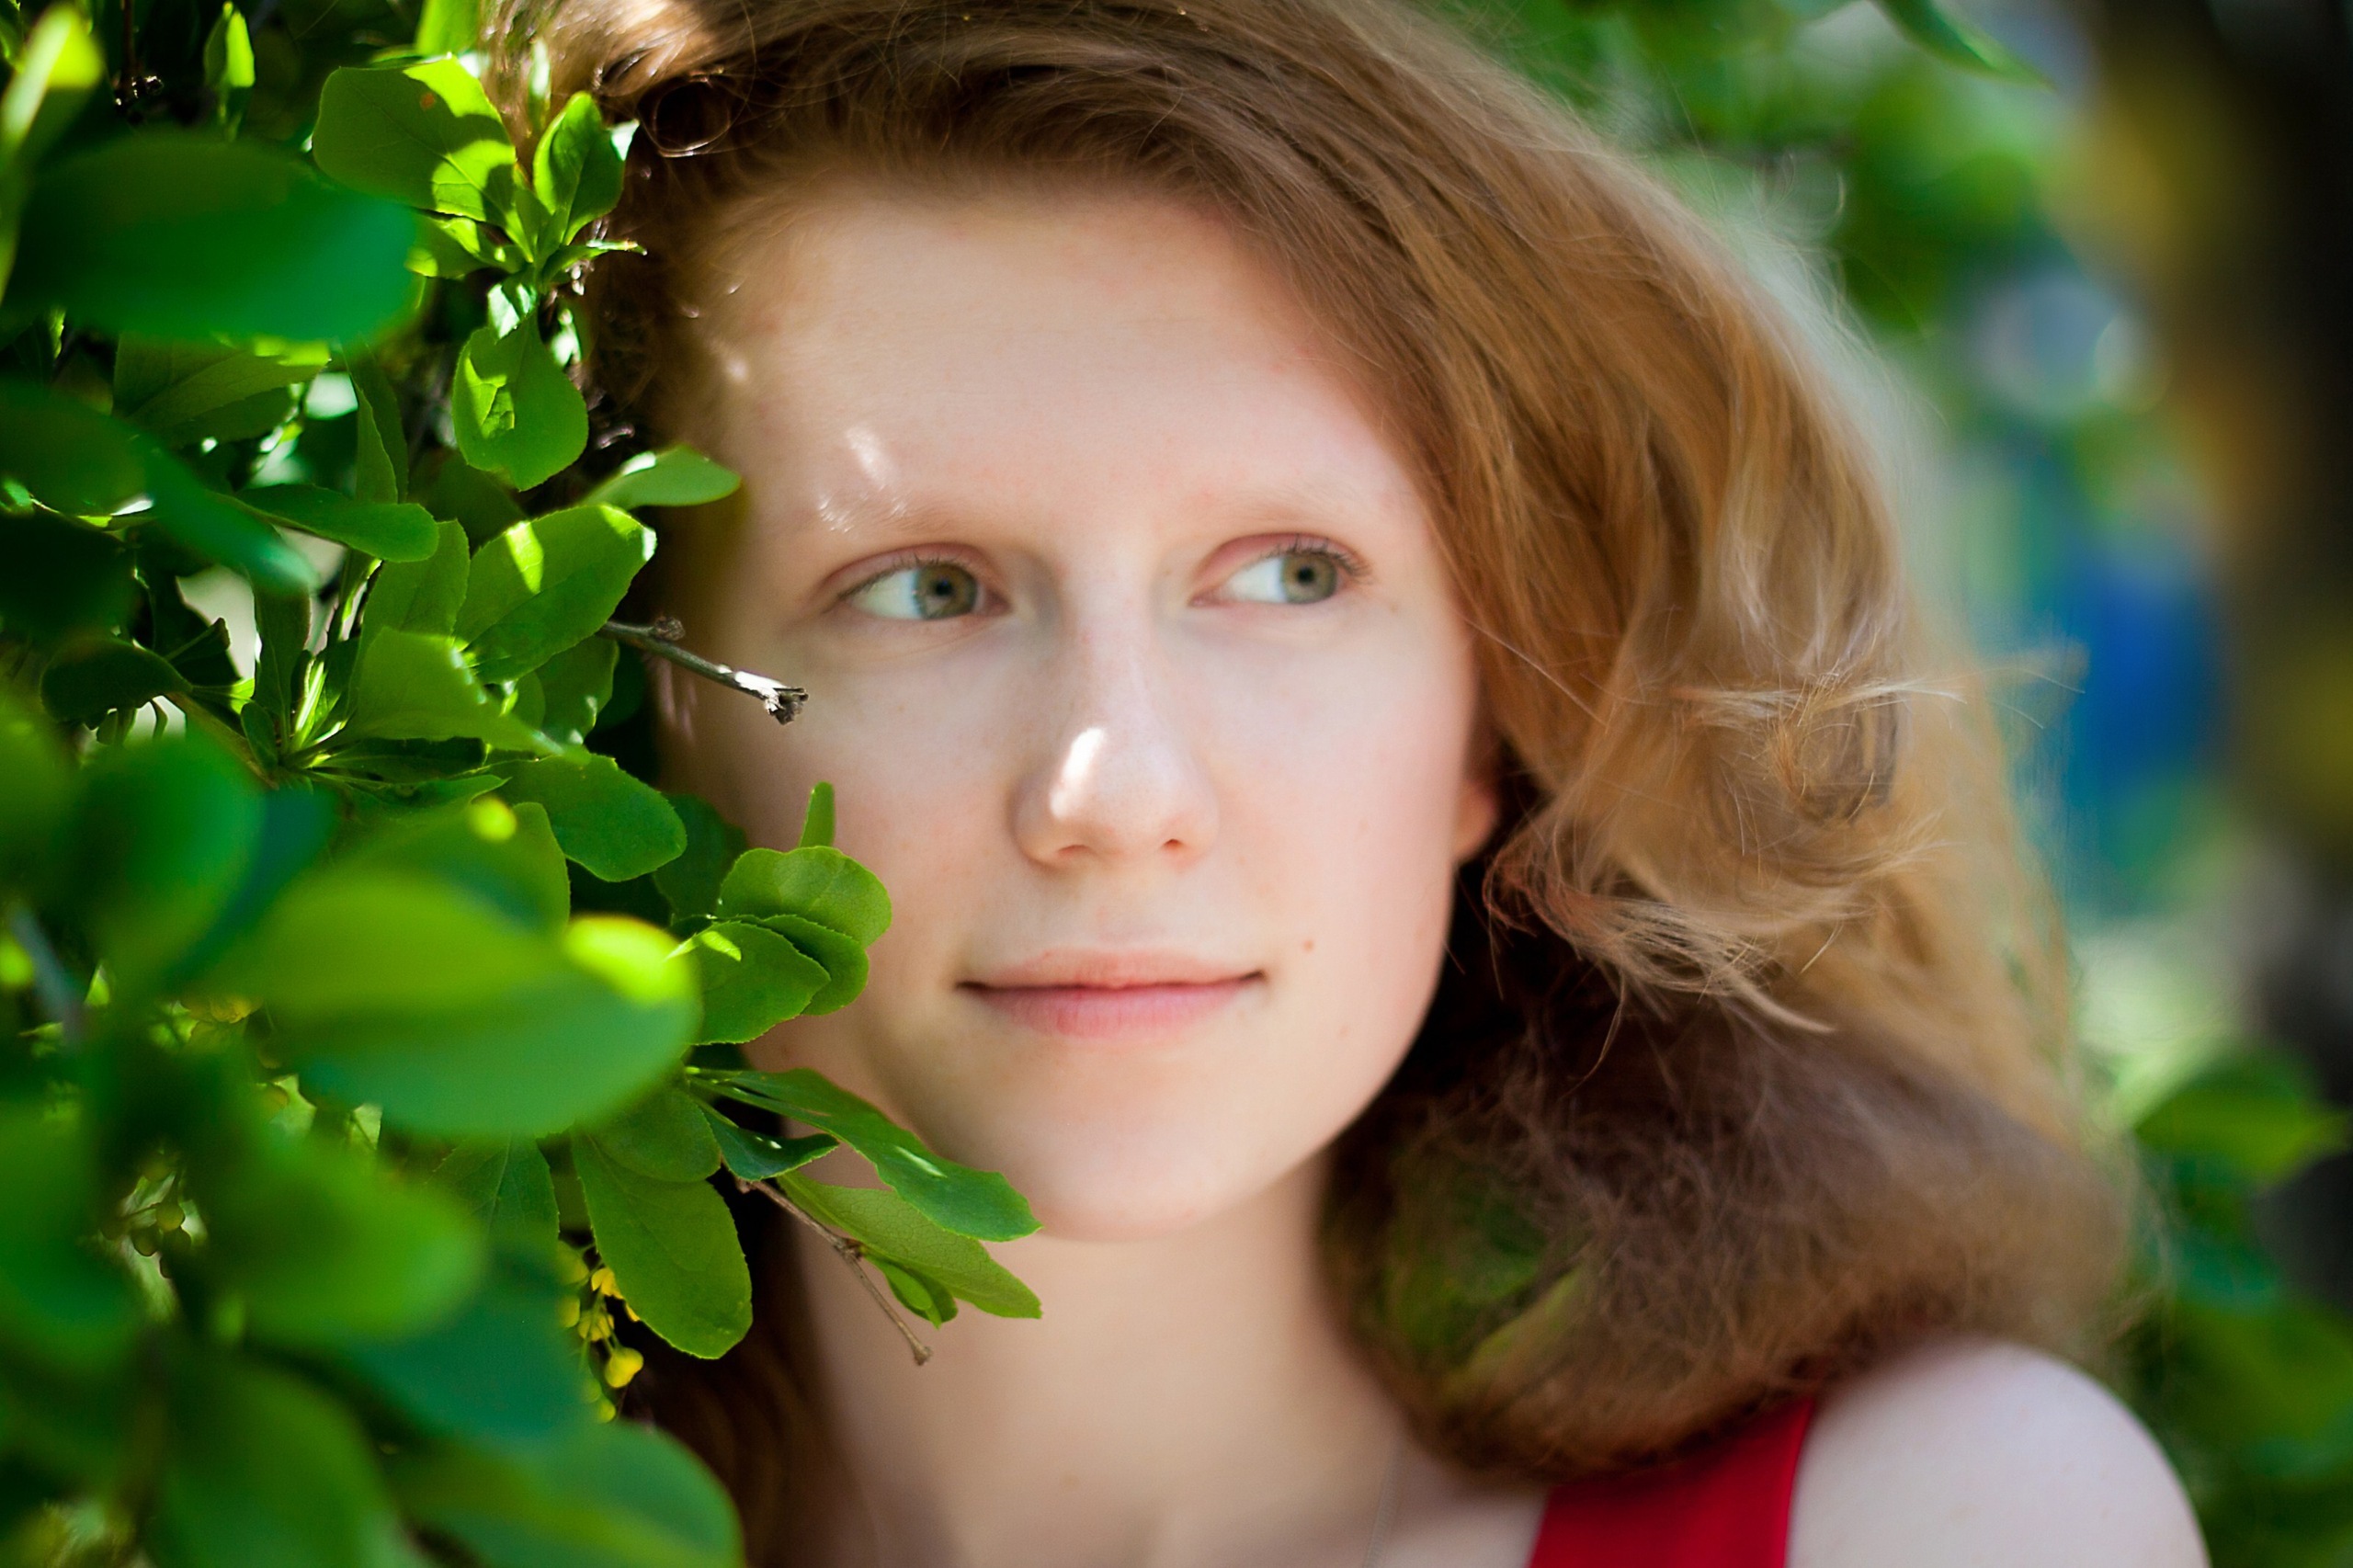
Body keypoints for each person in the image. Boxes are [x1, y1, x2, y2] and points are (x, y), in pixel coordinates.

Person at [521, 0, 2210, 1562]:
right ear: (655, 701)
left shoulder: (1942, 1519)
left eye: (1291, 575)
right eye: (925, 589)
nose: (1115, 787)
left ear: (1493, 713)